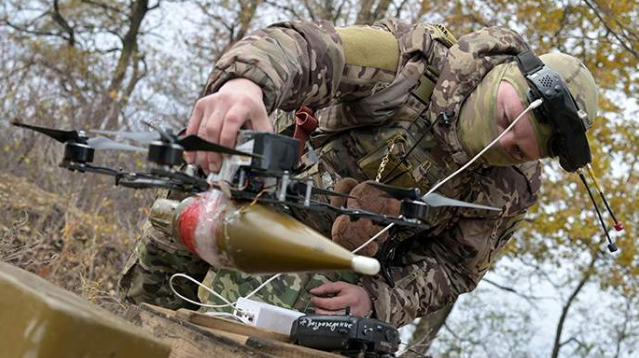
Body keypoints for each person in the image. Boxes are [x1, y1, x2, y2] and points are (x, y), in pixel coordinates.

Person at [119, 18, 599, 328]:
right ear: (502, 76)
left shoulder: (510, 188)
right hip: (250, 195)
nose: (499, 143)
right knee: (165, 248)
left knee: (256, 342)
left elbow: (455, 266)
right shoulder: (409, 62)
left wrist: (377, 300)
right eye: (503, 120)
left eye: (515, 150)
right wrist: (247, 84)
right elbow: (309, 49)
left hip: (331, 271)